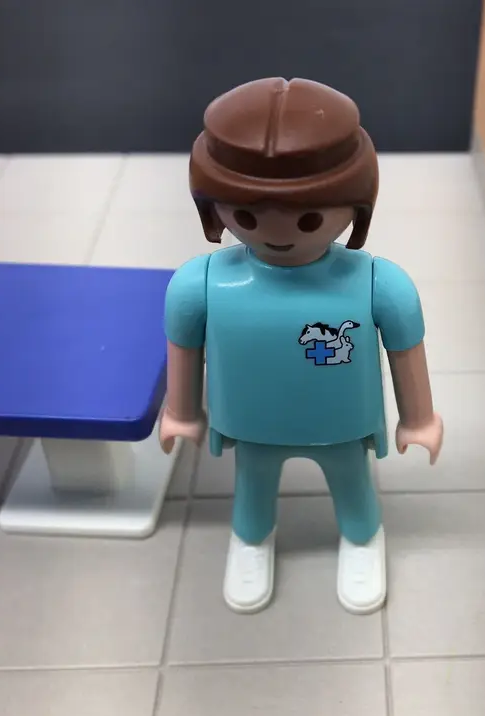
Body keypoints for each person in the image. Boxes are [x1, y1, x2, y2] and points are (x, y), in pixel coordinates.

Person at [160, 77, 443, 615]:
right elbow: (184, 349)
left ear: (354, 206)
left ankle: (362, 537)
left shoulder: (379, 284)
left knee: (352, 483)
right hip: (253, 420)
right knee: (253, 484)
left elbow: (406, 351)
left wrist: (418, 418)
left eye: (309, 217)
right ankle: (251, 538)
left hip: (340, 419)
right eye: (247, 215)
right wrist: (182, 412)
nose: (278, 232)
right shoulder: (200, 285)